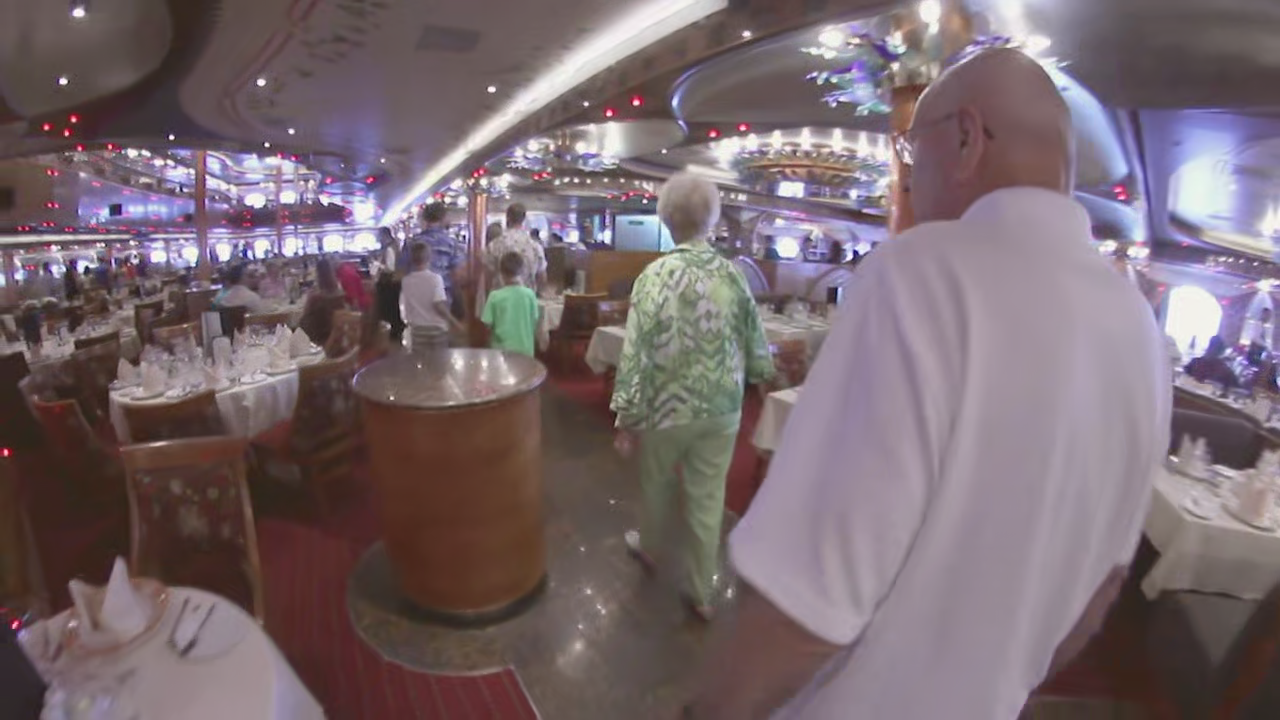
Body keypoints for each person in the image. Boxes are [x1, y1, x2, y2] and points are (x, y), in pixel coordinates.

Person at [690, 49, 1170, 720]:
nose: (909, 181)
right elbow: (1099, 594)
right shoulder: (1141, 329)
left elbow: (806, 603)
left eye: (912, 153)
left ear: (967, 137)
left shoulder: (920, 273)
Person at [611, 172, 774, 622]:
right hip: (722, 407)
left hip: (666, 409)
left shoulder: (654, 277)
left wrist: (626, 416)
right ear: (713, 219)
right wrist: (762, 377)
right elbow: (755, 340)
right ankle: (702, 590)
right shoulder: (733, 275)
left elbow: (636, 352)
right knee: (707, 497)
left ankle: (649, 546)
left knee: (655, 482)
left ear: (666, 219)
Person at [481, 252, 541, 357]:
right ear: (522, 270)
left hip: (501, 350)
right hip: (526, 350)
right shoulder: (530, 295)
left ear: (501, 273)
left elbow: (487, 324)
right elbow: (535, 320)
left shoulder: (494, 296)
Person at [400, 242, 462, 341]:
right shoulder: (435, 279)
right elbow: (439, 305)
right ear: (429, 258)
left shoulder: (405, 281)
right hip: (436, 330)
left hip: (415, 330)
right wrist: (455, 323)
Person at [407, 203, 462, 314]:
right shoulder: (451, 243)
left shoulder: (411, 243)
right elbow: (457, 275)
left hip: (416, 300)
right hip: (443, 299)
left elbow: (401, 273)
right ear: (443, 218)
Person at [485, 203, 547, 290]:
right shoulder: (535, 247)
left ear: (507, 217)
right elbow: (542, 277)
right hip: (526, 296)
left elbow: (488, 277)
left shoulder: (494, 245)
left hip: (501, 296)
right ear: (523, 219)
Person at [298, 258, 348, 345]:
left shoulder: (315, 297)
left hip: (317, 337)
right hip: (338, 337)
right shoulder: (340, 294)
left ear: (317, 274)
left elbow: (303, 322)